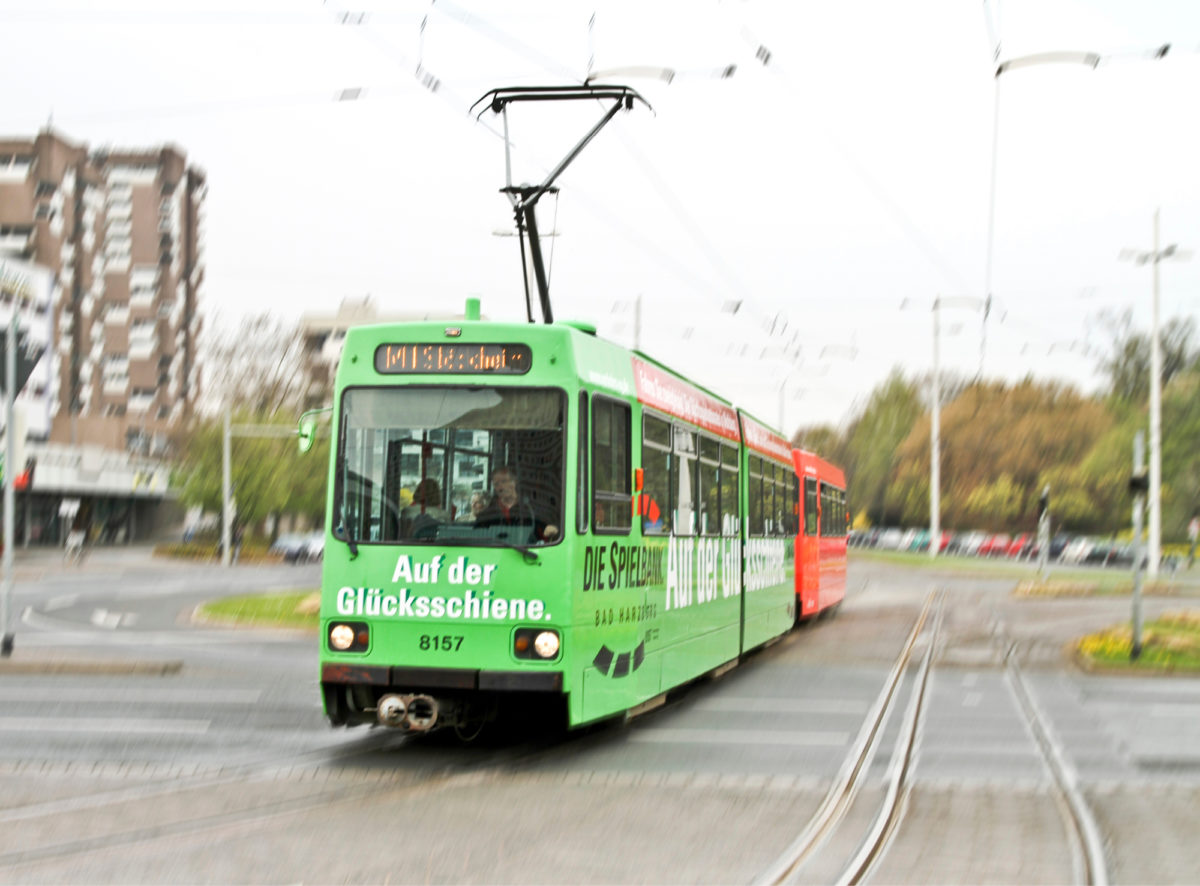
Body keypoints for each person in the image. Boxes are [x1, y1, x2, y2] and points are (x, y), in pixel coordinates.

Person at [474, 465, 558, 542]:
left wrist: (550, 529)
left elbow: (545, 530)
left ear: (514, 482)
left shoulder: (531, 508)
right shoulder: (487, 514)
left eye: (504, 481)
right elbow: (477, 536)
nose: (500, 487)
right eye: (496, 484)